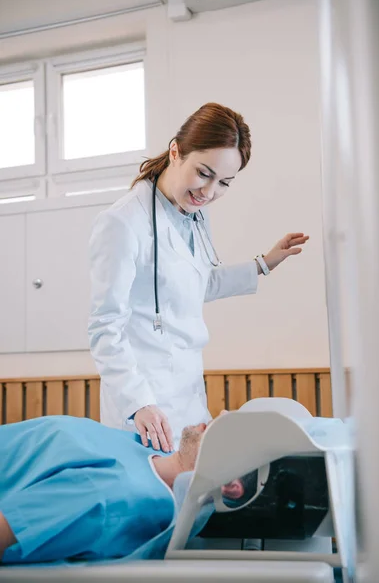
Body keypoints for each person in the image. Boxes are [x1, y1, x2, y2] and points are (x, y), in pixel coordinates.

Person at [88, 102, 309, 452]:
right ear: (176, 151)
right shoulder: (123, 223)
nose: (209, 192)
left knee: (197, 498)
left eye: (224, 183)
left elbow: (197, 284)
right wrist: (138, 402)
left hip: (189, 390)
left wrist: (264, 264)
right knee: (157, 501)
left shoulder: (194, 216)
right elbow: (105, 325)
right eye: (204, 173)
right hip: (144, 401)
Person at [0, 415, 211, 564]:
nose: (222, 413)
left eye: (229, 427)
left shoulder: (110, 494)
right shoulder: (155, 452)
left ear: (232, 486)